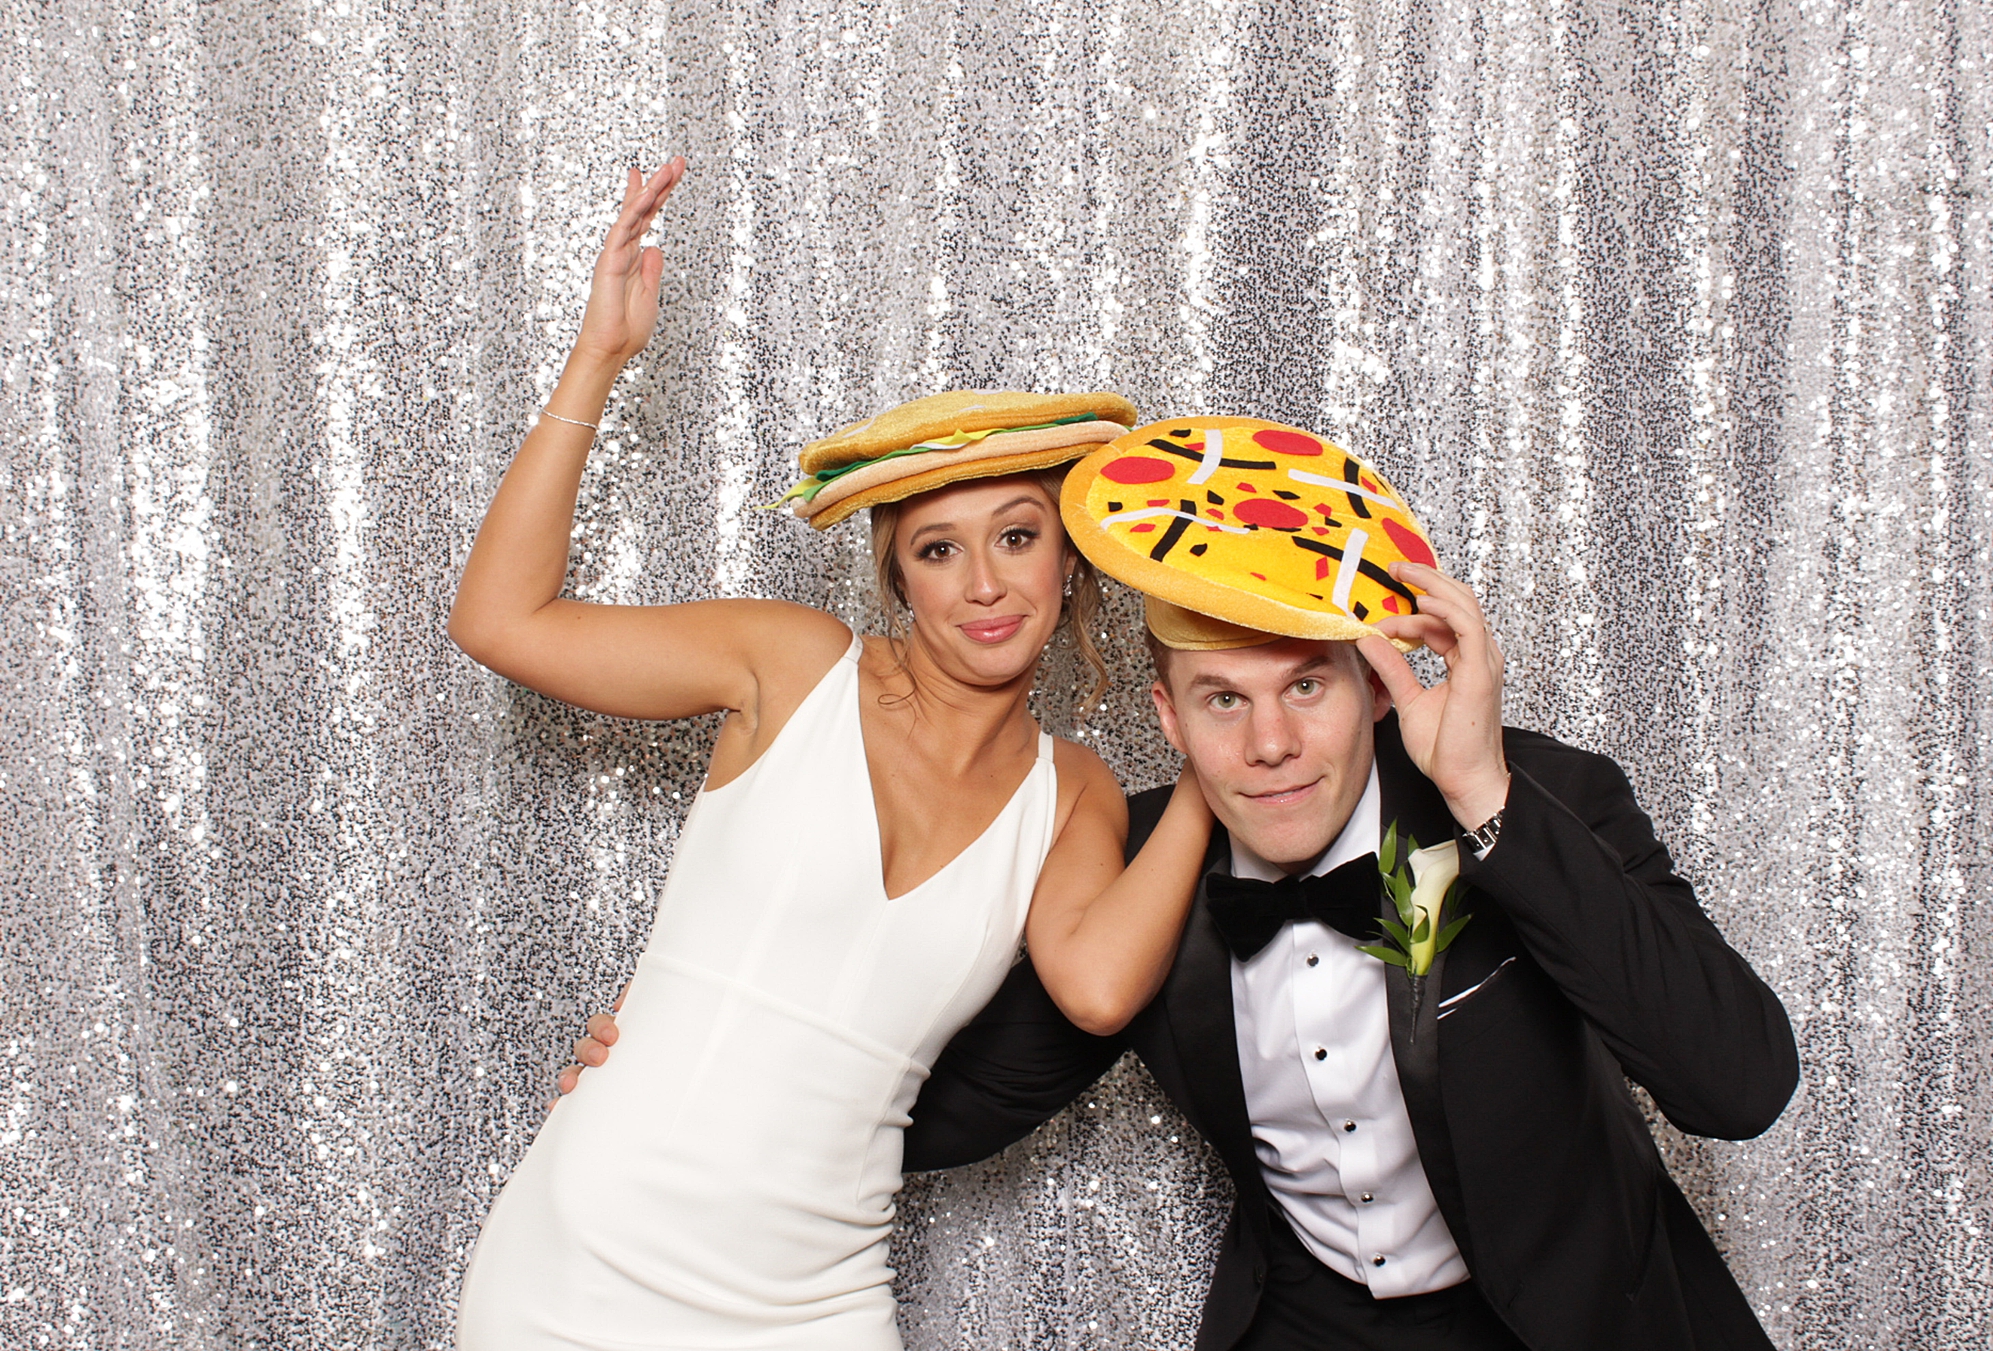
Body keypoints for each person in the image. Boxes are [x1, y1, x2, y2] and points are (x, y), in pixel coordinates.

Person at [567, 417, 1800, 1350]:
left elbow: (1736, 1084)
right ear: (1167, 717)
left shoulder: (1537, 801)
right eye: (1223, 701)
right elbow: (946, 1099)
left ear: (1373, 683)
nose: (1267, 745)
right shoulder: (1142, 870)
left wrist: (1482, 799)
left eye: (1304, 688)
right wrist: (693, 1077)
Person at [447, 161, 1214, 1351]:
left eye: (1017, 536)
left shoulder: (1073, 793)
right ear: (894, 574)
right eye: (937, 550)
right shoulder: (791, 666)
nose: (985, 585)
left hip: (816, 1295)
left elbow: (1098, 987)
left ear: (1069, 564)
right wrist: (597, 360)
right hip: (588, 1259)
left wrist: (1220, 759)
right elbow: (502, 622)